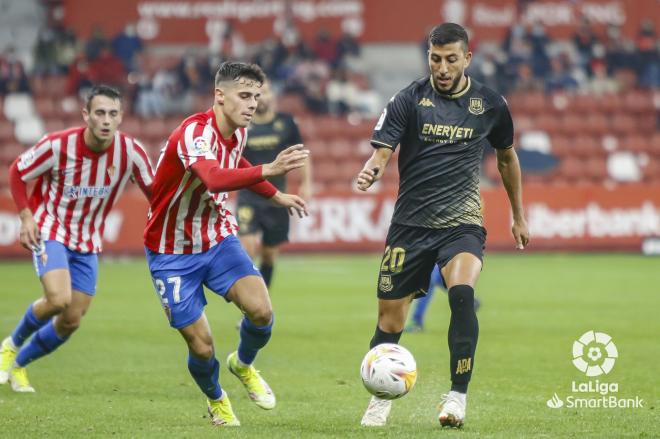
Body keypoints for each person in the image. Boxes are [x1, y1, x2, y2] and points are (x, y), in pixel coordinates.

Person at [356, 23, 529, 428]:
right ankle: (381, 396)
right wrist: (372, 168)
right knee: (389, 321)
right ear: (428, 57)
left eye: (452, 59)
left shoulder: (489, 104)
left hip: (462, 222)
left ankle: (457, 397)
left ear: (467, 58)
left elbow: (506, 158)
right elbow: (383, 150)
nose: (443, 67)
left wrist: (518, 214)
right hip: (410, 226)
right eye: (436, 59)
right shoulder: (409, 98)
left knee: (462, 293)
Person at [143, 61, 309, 428]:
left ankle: (243, 364)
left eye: (256, 96)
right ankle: (216, 398)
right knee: (201, 346)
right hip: (171, 252)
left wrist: (275, 195)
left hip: (216, 240)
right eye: (244, 96)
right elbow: (215, 178)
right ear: (219, 95)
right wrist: (268, 171)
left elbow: (237, 162)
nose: (253, 104)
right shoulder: (194, 133)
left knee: (262, 312)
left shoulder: (237, 133)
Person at [0, 85, 154, 392]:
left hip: (88, 240)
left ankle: (19, 365)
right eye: (100, 113)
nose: (106, 120)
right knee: (58, 299)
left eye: (113, 113)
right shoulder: (57, 146)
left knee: (71, 320)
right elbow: (18, 171)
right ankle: (10, 346)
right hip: (52, 228)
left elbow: (157, 193)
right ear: (86, 115)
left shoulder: (131, 152)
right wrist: (27, 216)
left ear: (121, 117)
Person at [237, 80, 312, 290]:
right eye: (256, 94)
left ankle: (261, 301)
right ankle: (249, 303)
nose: (261, 97)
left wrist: (306, 183)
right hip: (249, 196)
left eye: (265, 92)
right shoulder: (242, 125)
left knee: (269, 256)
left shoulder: (286, 123)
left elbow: (301, 153)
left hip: (278, 197)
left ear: (272, 96)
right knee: (247, 250)